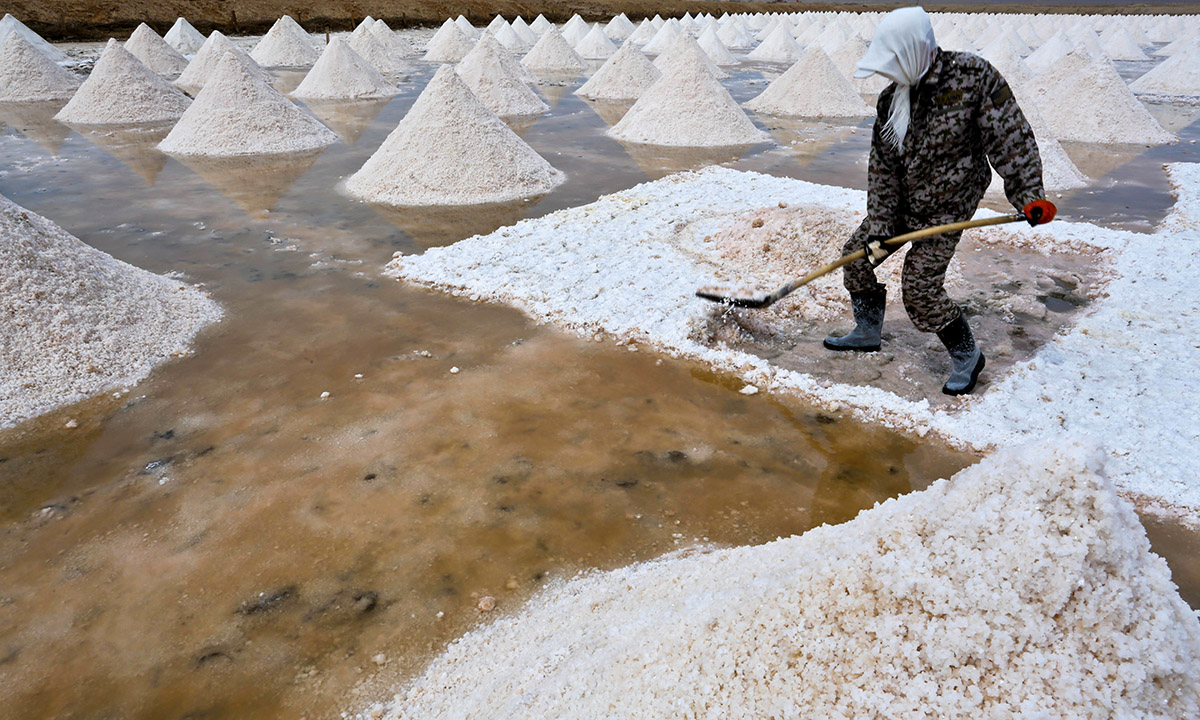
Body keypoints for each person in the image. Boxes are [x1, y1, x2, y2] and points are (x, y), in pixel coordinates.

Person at [823, 6, 1055, 395]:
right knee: (857, 258)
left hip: (949, 207)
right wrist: (880, 229)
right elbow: (882, 171)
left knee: (920, 291)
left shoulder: (973, 78)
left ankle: (967, 355)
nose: (887, 74)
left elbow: (1012, 140)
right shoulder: (891, 101)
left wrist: (1029, 195)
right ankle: (867, 331)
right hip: (903, 203)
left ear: (914, 52)